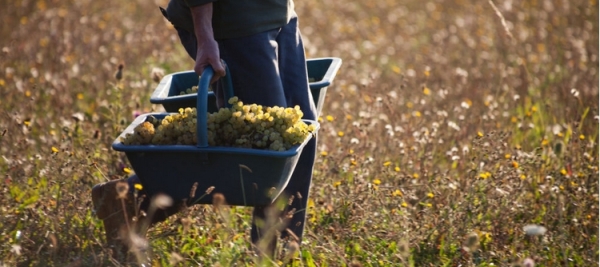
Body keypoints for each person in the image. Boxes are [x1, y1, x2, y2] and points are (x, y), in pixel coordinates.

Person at [91, 0, 318, 260]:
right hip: (235, 25)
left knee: (301, 134)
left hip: (277, 12)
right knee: (265, 149)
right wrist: (205, 34)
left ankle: (285, 256)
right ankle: (129, 200)